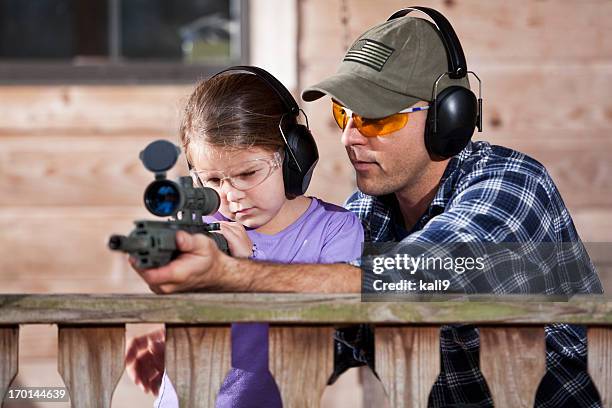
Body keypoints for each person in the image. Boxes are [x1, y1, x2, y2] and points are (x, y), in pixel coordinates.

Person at [131, 7, 604, 408]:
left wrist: (232, 275)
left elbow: (414, 277)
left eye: (377, 119)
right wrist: (209, 340)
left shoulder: (511, 185)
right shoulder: (368, 214)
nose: (350, 137)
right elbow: (330, 339)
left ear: (448, 119)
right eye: (344, 114)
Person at [125, 66, 364, 407]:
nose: (231, 196)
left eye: (248, 173)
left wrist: (245, 268)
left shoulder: (334, 230)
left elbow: (330, 338)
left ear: (294, 158)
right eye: (213, 181)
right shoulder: (206, 224)